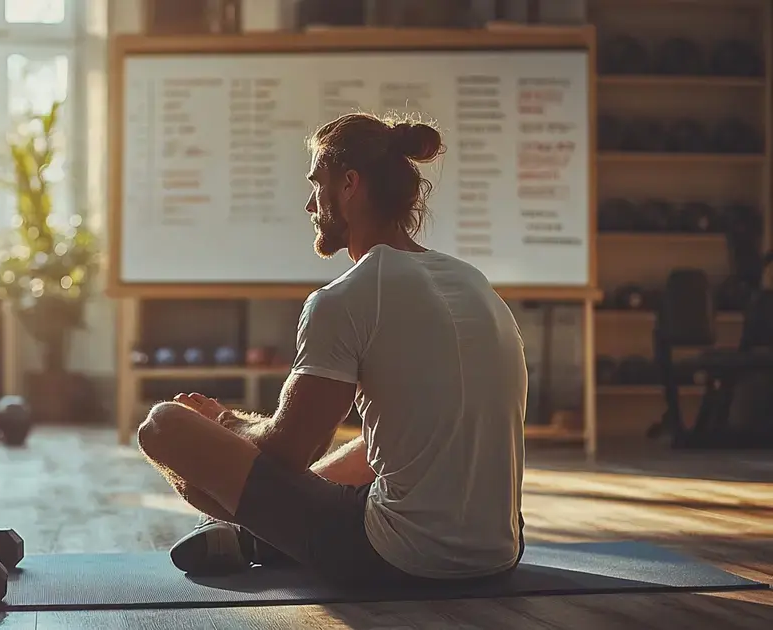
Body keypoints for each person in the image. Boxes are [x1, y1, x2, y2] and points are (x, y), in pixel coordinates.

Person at [136, 111, 527, 586]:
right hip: (501, 549)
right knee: (389, 439)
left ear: (349, 185)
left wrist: (222, 422)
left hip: (400, 557)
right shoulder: (472, 281)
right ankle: (259, 537)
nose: (309, 205)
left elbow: (286, 454)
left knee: (163, 425)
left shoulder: (344, 297)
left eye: (315, 183)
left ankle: (256, 535)